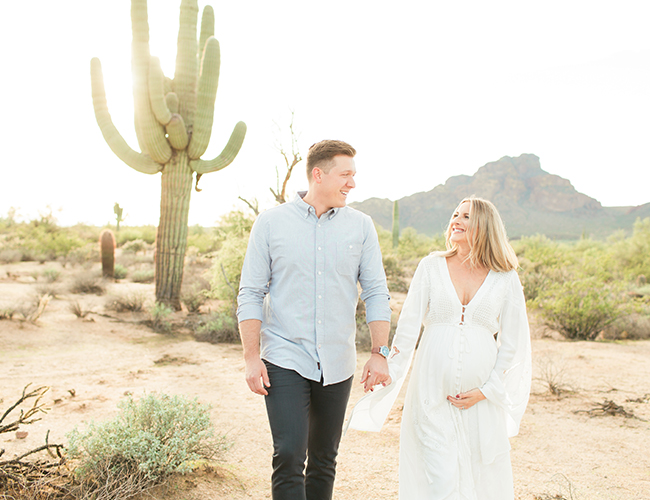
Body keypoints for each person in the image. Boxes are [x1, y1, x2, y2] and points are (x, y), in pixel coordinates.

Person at [347, 196, 532, 500]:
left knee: (480, 474)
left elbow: (514, 343)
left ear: (485, 226)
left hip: (481, 396)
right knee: (438, 475)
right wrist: (387, 367)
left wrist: (488, 390)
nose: (456, 220)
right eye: (455, 214)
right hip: (431, 391)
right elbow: (407, 329)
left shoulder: (505, 277)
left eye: (467, 217)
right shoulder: (431, 266)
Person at [237, 139, 392, 500]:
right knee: (289, 454)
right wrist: (250, 356)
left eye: (354, 175)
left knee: (324, 458)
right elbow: (250, 293)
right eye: (345, 175)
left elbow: (376, 291)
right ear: (318, 174)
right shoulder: (271, 223)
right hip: (284, 355)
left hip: (338, 360)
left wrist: (379, 352)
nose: (352, 184)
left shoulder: (362, 226)